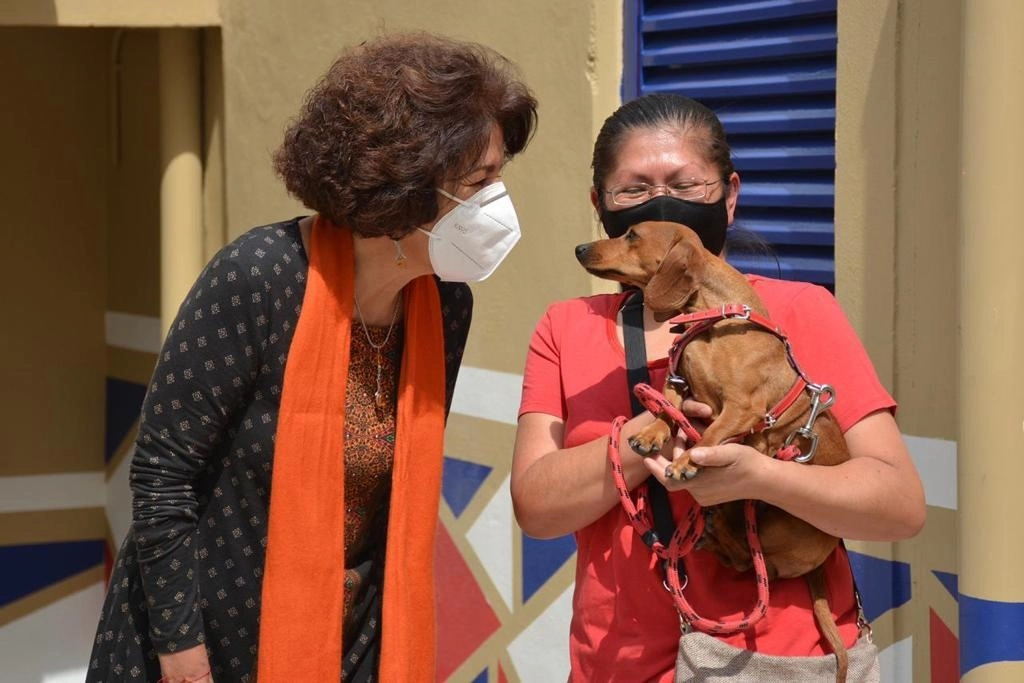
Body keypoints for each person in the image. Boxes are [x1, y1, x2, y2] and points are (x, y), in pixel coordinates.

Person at [87, 31, 537, 683]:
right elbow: (162, 474)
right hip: (198, 646)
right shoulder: (261, 277)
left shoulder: (446, 308)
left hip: (349, 645)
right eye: (481, 180)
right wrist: (182, 652)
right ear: (405, 188)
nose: (499, 204)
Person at [511, 93, 925, 681]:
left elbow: (900, 507)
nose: (662, 202)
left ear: (729, 196)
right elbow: (537, 508)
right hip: (616, 663)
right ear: (599, 203)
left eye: (686, 184)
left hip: (776, 660)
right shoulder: (567, 327)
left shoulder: (799, 312)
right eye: (633, 189)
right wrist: (648, 436)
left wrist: (761, 476)